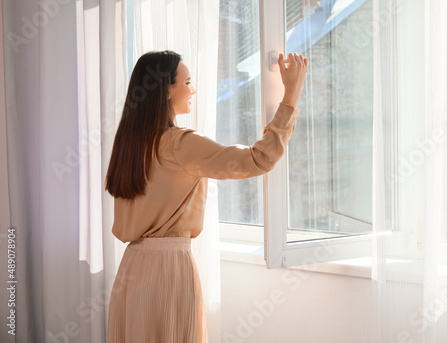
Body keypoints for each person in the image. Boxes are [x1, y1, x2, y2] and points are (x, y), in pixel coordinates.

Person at [105, 50, 308, 342]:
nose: (194, 89)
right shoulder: (179, 143)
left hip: (132, 269)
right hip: (168, 270)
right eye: (187, 82)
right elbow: (258, 159)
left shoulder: (130, 144)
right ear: (165, 89)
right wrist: (290, 97)